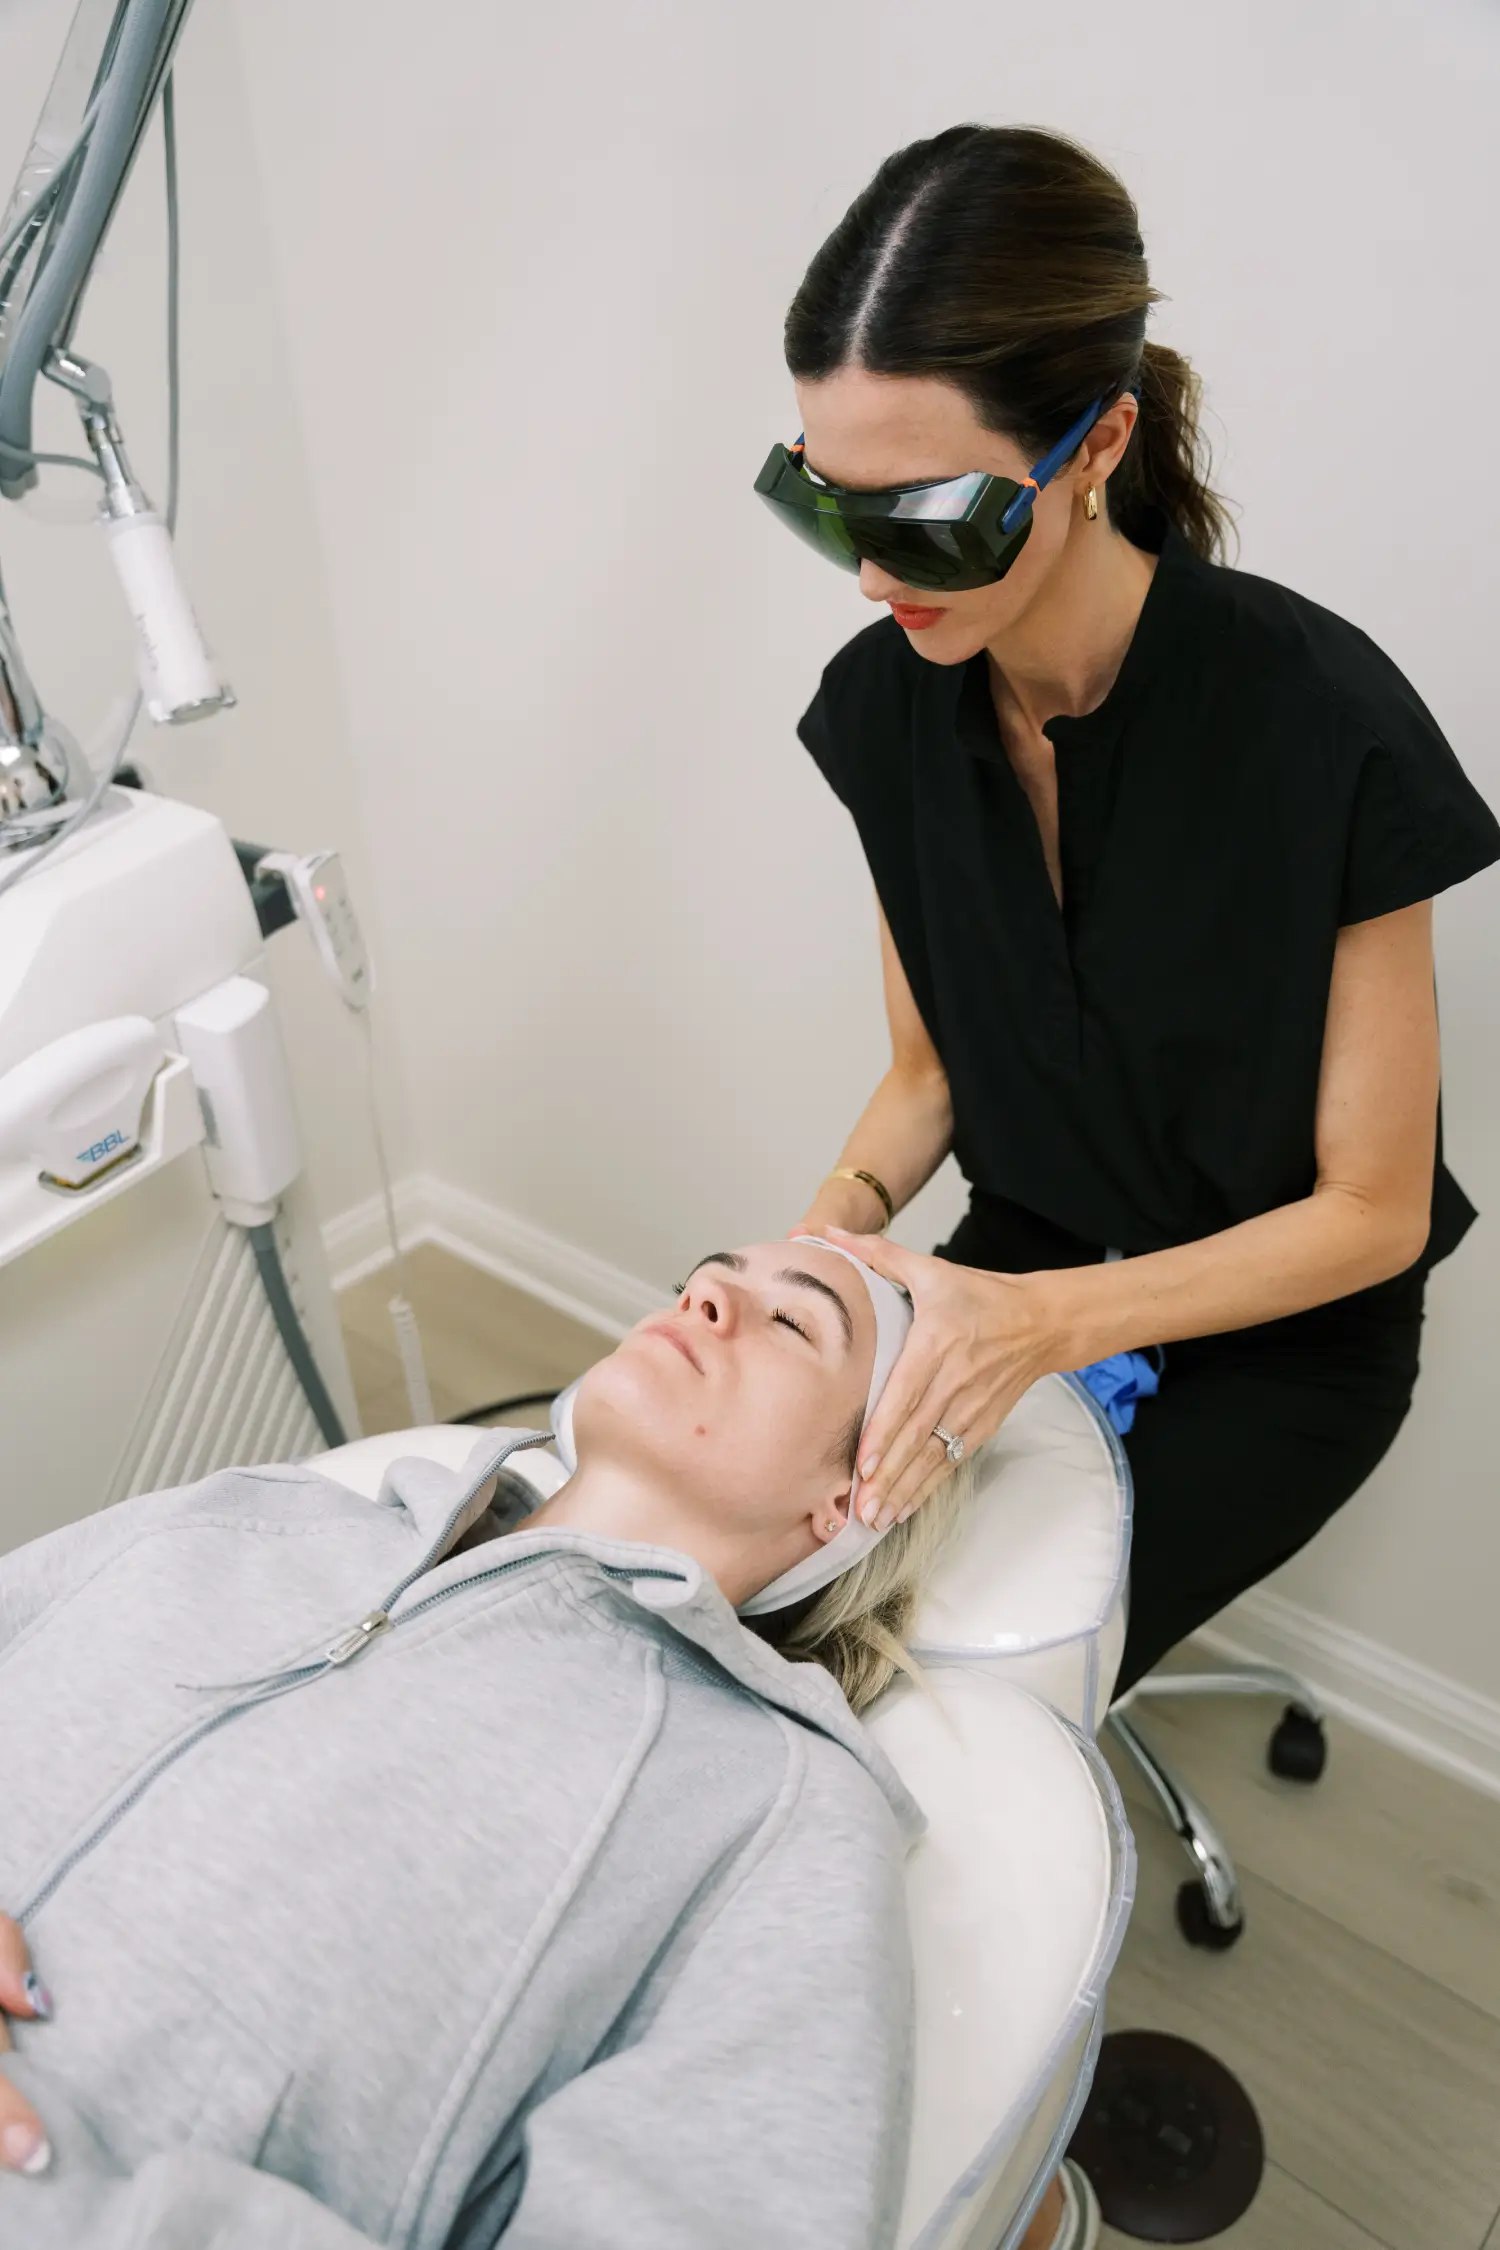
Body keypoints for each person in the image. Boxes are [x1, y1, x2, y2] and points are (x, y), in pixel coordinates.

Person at [762, 123, 1499, 1696]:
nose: (874, 577)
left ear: (1094, 448)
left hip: (1279, 1341)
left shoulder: (1327, 731)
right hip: (1015, 1258)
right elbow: (930, 1074)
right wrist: (826, 1239)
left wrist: (1044, 1325)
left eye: (927, 518)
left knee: (945, 1692)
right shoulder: (888, 704)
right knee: (775, 1613)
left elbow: (1370, 1214)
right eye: (826, 505)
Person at [0, 1237, 968, 2250]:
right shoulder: (257, 1513)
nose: (712, 1290)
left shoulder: (774, 1809)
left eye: (795, 1319)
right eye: (706, 1274)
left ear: (852, 1497)